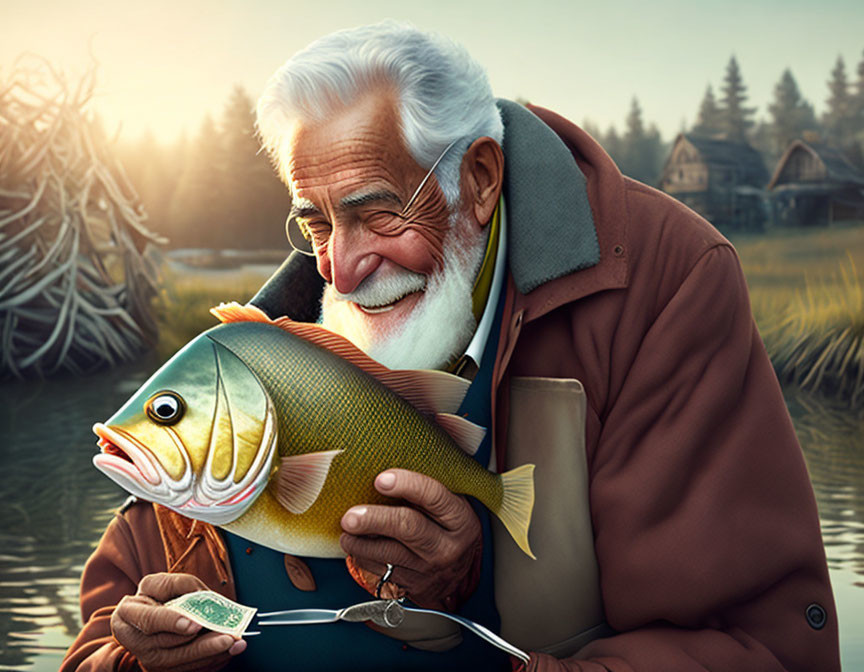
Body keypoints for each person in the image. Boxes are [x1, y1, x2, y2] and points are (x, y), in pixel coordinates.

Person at [62, 22, 840, 671]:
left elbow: (756, 646)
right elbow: (96, 638)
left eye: (379, 214)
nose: (338, 265)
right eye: (316, 222)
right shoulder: (251, 350)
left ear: (479, 178)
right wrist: (134, 659)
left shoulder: (665, 281)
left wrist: (467, 591)